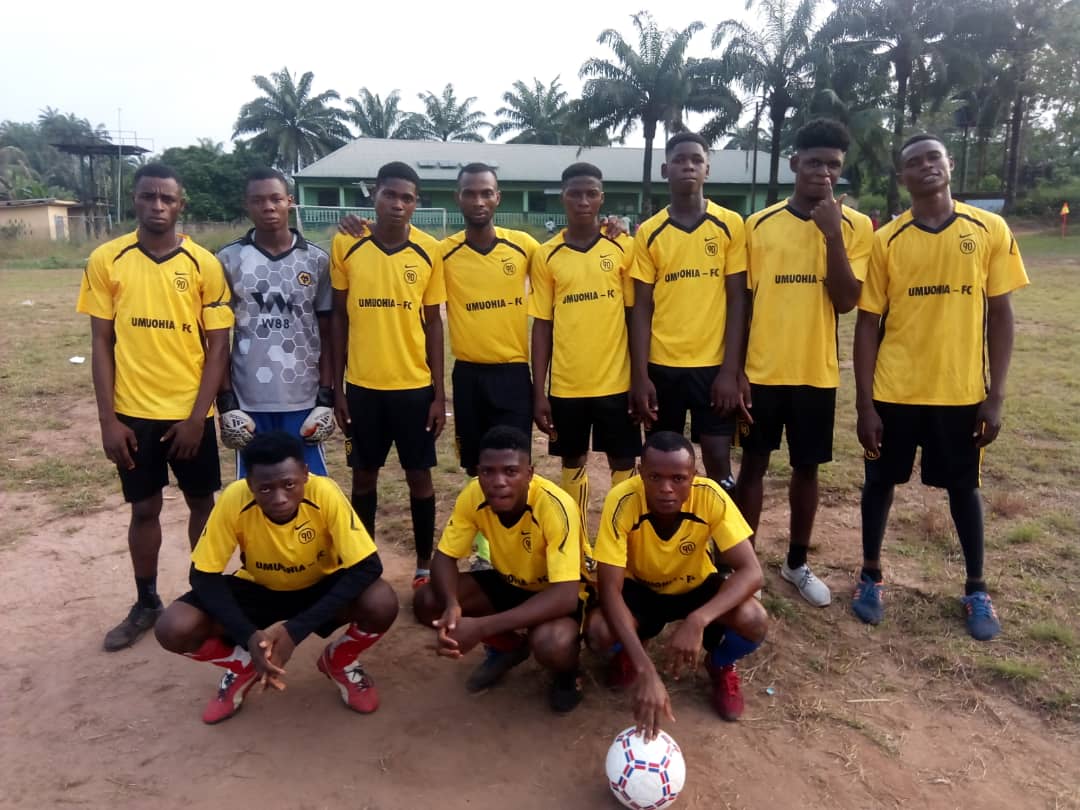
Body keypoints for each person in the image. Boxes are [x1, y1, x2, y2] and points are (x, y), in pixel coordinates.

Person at [852, 133, 1029, 641]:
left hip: (959, 392)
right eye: (913, 162)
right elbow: (868, 323)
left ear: (949, 165)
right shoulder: (887, 239)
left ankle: (976, 587)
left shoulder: (988, 228)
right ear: (902, 176)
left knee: (963, 489)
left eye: (933, 157)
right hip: (895, 390)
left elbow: (1001, 314)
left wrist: (995, 397)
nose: (925, 166)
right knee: (879, 484)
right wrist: (865, 404)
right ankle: (870, 575)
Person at [76, 162, 233, 651]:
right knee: (143, 508)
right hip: (133, 414)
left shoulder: (204, 263)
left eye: (167, 198)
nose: (158, 206)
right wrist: (109, 420)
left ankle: (204, 595)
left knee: (202, 503)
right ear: (136, 199)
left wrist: (195, 417)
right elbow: (101, 343)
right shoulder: (108, 258)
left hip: (189, 416)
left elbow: (219, 347)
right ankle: (146, 602)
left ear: (180, 204)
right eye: (149, 197)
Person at [154, 432, 398, 724]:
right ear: (249, 485)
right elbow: (203, 576)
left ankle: (339, 660)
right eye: (266, 489)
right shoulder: (235, 498)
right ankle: (241, 664)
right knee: (173, 627)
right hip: (260, 587)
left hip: (319, 585)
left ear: (305, 475)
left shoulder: (325, 492)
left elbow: (368, 566)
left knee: (381, 601)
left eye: (289, 484)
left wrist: (295, 631)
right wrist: (248, 635)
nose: (280, 498)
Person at [735, 119, 873, 607]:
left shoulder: (857, 227)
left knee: (806, 468)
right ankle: (743, 565)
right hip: (761, 372)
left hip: (816, 372)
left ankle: (795, 562)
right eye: (814, 162)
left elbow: (845, 300)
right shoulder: (758, 225)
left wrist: (832, 235)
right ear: (794, 163)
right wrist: (737, 371)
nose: (823, 172)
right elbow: (744, 305)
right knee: (752, 466)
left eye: (834, 165)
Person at [586, 431, 766, 733]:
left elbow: (752, 571)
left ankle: (720, 664)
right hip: (640, 589)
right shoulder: (622, 500)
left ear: (693, 476)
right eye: (655, 477)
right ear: (641, 474)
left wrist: (698, 619)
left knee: (754, 619)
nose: (666, 488)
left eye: (678, 479)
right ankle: (633, 651)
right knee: (598, 631)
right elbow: (609, 589)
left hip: (694, 587)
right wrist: (647, 670)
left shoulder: (709, 495)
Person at [330, 161, 446, 589]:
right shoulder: (347, 244)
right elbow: (339, 318)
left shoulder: (428, 250)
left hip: (414, 388)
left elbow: (434, 323)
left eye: (407, 198)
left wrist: (438, 393)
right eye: (390, 195)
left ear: (416, 204)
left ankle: (422, 565)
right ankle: (366, 563)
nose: (398, 205)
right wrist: (338, 388)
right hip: (362, 388)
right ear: (374, 195)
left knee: (419, 475)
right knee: (364, 475)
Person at [413, 426, 585, 713]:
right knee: (429, 602)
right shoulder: (473, 495)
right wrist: (453, 606)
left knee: (551, 643)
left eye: (510, 471)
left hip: (556, 592)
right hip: (510, 580)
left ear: (529, 473)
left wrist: (480, 627)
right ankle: (509, 646)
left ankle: (568, 676)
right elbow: (444, 558)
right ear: (478, 472)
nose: (498, 482)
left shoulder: (556, 506)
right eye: (488, 472)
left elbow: (566, 594)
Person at [629, 132, 749, 490]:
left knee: (716, 455)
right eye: (680, 160)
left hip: (713, 367)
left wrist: (731, 370)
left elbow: (738, 300)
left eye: (696, 160)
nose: (688, 166)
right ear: (666, 169)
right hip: (662, 366)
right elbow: (641, 308)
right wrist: (640, 375)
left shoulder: (730, 224)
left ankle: (718, 540)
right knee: (660, 457)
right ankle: (663, 536)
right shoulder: (649, 233)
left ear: (707, 170)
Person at [531, 162, 640, 534]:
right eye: (574, 193)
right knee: (572, 460)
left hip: (616, 383)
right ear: (562, 197)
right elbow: (542, 325)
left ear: (601, 198)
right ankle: (577, 543)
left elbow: (634, 315)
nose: (582, 201)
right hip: (567, 385)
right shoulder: (546, 255)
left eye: (591, 193)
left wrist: (638, 379)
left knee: (624, 461)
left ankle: (620, 539)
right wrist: (539, 392)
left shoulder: (622, 246)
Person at [216, 167, 335, 477]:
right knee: (255, 487)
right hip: (249, 397)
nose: (268, 207)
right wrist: (227, 401)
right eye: (258, 201)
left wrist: (326, 394)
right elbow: (216, 338)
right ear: (247, 205)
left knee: (310, 484)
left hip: (303, 396)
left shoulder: (317, 260)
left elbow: (327, 332)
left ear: (290, 201)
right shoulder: (228, 260)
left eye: (275, 199)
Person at [439, 163, 539, 476]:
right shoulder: (442, 253)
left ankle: (516, 525)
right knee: (475, 464)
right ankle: (481, 526)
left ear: (498, 197)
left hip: (513, 373)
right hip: (468, 375)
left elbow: (566, 261)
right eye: (470, 193)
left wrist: (610, 226)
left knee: (514, 463)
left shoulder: (524, 246)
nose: (478, 201)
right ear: (458, 198)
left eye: (486, 193)